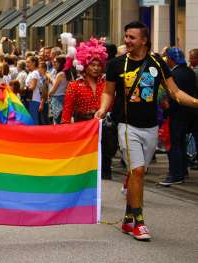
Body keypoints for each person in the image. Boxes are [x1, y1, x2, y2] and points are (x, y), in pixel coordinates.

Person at [95, 21, 198, 241]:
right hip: (126, 126)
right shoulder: (115, 64)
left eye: (132, 37)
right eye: (126, 37)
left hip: (151, 127)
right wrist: (103, 109)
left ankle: (127, 217)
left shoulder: (157, 63)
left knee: (136, 175)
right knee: (138, 171)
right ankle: (139, 222)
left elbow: (176, 93)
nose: (127, 41)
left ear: (144, 40)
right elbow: (108, 93)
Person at [158, 47, 196, 185]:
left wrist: (166, 109)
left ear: (170, 59)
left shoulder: (173, 75)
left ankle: (176, 174)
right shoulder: (189, 72)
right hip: (189, 113)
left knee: (175, 144)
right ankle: (182, 170)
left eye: (167, 58)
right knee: (182, 143)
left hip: (177, 113)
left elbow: (174, 96)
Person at [61, 39, 107, 124]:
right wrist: (65, 128)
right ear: (85, 66)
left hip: (103, 127)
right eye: (92, 65)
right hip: (82, 127)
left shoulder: (106, 84)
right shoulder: (74, 85)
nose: (96, 68)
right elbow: (67, 110)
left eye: (99, 65)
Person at [48, 55, 68, 124]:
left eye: (55, 62)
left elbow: (53, 89)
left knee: (57, 121)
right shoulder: (63, 73)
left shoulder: (61, 74)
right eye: (53, 62)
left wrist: (50, 77)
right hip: (60, 98)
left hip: (57, 99)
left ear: (61, 63)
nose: (53, 63)